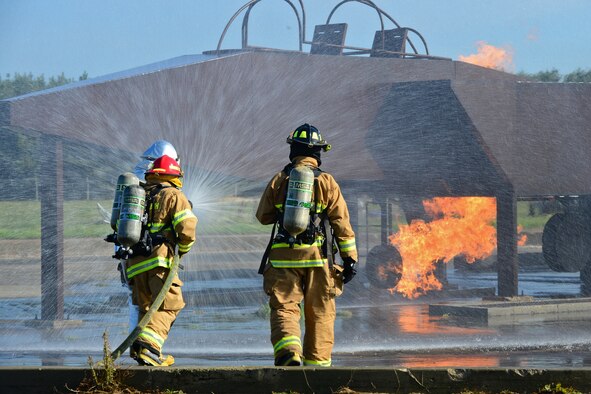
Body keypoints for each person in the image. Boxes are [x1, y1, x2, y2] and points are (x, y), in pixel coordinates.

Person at [256, 123, 358, 367]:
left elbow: (263, 217)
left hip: (283, 257)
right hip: (318, 257)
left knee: (285, 307)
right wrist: (350, 258)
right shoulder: (327, 182)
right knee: (320, 312)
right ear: (318, 153)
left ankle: (289, 351)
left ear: (293, 150)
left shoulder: (279, 179)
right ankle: (317, 369)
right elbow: (341, 223)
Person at [125, 154, 197, 366]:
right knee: (170, 305)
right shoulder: (174, 195)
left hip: (135, 264)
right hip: (159, 261)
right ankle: (150, 347)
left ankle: (140, 351)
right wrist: (181, 251)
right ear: (175, 176)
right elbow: (187, 231)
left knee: (146, 308)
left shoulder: (141, 195)